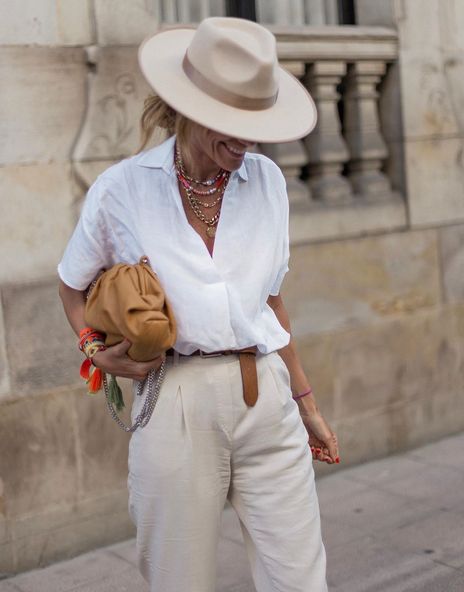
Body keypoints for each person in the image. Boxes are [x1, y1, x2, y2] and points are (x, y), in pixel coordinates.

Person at [58, 16, 339, 592]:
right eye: (230, 124)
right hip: (176, 400)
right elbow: (71, 284)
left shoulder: (268, 183)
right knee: (179, 580)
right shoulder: (123, 188)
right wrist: (95, 351)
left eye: (255, 124)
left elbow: (271, 303)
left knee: (301, 582)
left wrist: (306, 402)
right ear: (187, 109)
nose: (248, 141)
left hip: (268, 398)